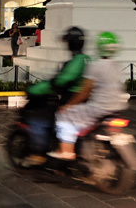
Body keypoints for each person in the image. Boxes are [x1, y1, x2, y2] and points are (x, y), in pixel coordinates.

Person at [50, 31, 128, 160]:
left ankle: (66, 151)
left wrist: (68, 105)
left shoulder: (96, 65)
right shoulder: (116, 65)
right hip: (117, 108)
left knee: (64, 116)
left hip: (98, 108)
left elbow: (85, 91)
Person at [24, 26, 89, 165]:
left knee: (39, 119)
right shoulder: (88, 59)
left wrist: (35, 90)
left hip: (71, 102)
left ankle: (39, 153)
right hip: (87, 103)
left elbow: (59, 82)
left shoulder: (75, 62)